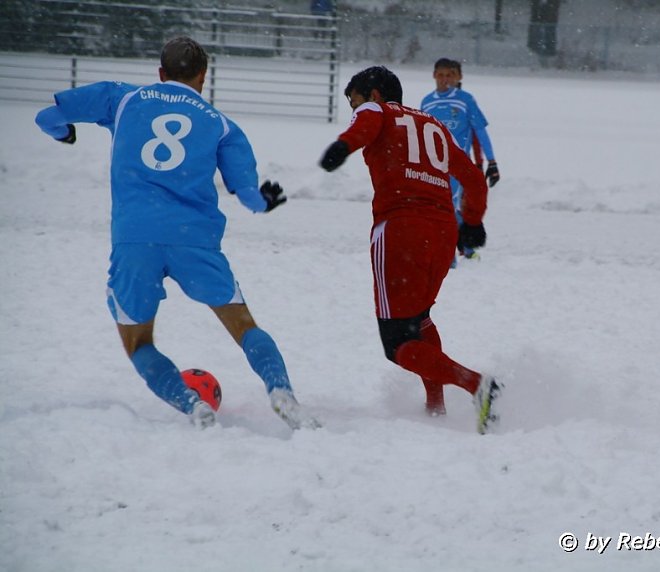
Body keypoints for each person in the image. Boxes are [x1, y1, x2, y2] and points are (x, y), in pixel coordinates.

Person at [34, 36, 319, 429]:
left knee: (139, 342)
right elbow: (251, 198)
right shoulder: (221, 125)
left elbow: (46, 118)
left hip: (136, 239)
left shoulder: (122, 99)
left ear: (160, 73)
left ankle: (192, 405)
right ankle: (280, 390)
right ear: (203, 76)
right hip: (195, 241)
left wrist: (63, 133)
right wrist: (265, 200)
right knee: (245, 326)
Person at [318, 66, 501, 432]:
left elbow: (366, 123)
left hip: (401, 229)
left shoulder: (377, 109)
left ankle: (476, 384)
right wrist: (474, 222)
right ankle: (435, 407)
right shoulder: (433, 124)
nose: (353, 109)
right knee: (420, 318)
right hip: (443, 230)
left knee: (397, 343)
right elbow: (471, 178)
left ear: (372, 94)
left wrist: (344, 145)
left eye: (353, 101)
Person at [421, 57, 500, 262]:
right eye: (441, 75)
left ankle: (452, 256)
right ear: (434, 76)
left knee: (451, 205)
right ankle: (458, 248)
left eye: (450, 75)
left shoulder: (465, 100)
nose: (445, 79)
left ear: (459, 77)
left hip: (457, 165)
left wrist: (491, 161)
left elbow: (480, 132)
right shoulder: (427, 102)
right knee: (433, 207)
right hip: (432, 165)